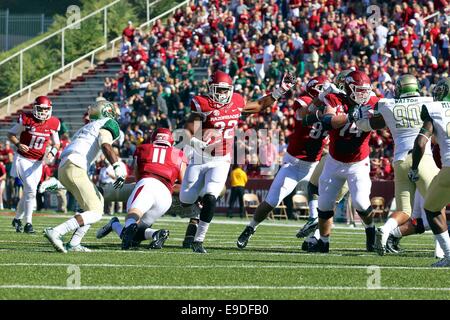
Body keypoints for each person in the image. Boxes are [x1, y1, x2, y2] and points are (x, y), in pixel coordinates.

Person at [180, 70, 296, 253]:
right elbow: (187, 129)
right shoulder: (202, 103)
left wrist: (280, 90)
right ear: (210, 89)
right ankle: (195, 213)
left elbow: (258, 105)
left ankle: (198, 240)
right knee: (186, 199)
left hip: (222, 158)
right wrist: (196, 141)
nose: (222, 94)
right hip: (200, 156)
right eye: (218, 90)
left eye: (225, 90)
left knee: (211, 196)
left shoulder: (236, 101)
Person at [236, 76, 330, 249]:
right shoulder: (305, 100)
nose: (328, 90)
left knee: (322, 197)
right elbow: (303, 114)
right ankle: (250, 228)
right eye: (325, 87)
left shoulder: (332, 105)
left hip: (314, 163)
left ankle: (315, 234)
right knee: (272, 200)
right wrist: (321, 99)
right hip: (294, 164)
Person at [353, 74, 438, 255]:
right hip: (423, 158)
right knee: (436, 208)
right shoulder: (430, 102)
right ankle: (442, 252)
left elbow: (367, 124)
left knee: (404, 210)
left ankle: (385, 230)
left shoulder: (387, 104)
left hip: (400, 161)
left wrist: (357, 117)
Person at [309, 70, 379, 253]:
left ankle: (371, 231)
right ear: (348, 88)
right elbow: (328, 120)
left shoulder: (372, 102)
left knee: (361, 203)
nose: (363, 94)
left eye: (365, 90)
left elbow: (384, 120)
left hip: (358, 162)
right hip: (334, 160)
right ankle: (323, 242)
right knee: (324, 204)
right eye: (358, 90)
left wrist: (375, 118)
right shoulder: (334, 98)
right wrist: (351, 116)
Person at [43, 100, 126, 253]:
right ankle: (57, 231)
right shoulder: (109, 123)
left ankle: (74, 243)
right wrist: (117, 166)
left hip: (65, 166)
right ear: (108, 112)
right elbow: (105, 145)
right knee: (95, 212)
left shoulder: (86, 127)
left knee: (97, 201)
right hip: (75, 166)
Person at [96, 128, 187, 250]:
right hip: (165, 196)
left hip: (147, 185)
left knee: (133, 216)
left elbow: (137, 176)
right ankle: (156, 234)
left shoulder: (143, 148)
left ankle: (116, 225)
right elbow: (185, 183)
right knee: (135, 235)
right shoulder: (179, 154)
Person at [409, 77, 450, 267]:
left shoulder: (435, 109)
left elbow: (420, 143)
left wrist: (415, 167)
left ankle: (449, 255)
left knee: (432, 209)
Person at [8, 96, 60, 233]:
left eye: (46, 109)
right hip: (23, 158)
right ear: (35, 108)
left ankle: (17, 219)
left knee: (28, 192)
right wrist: (18, 144)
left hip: (38, 162)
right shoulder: (26, 119)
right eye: (40, 109)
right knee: (30, 189)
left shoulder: (54, 122)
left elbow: (57, 143)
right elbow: (11, 134)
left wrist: (52, 153)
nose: (43, 112)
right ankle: (28, 223)